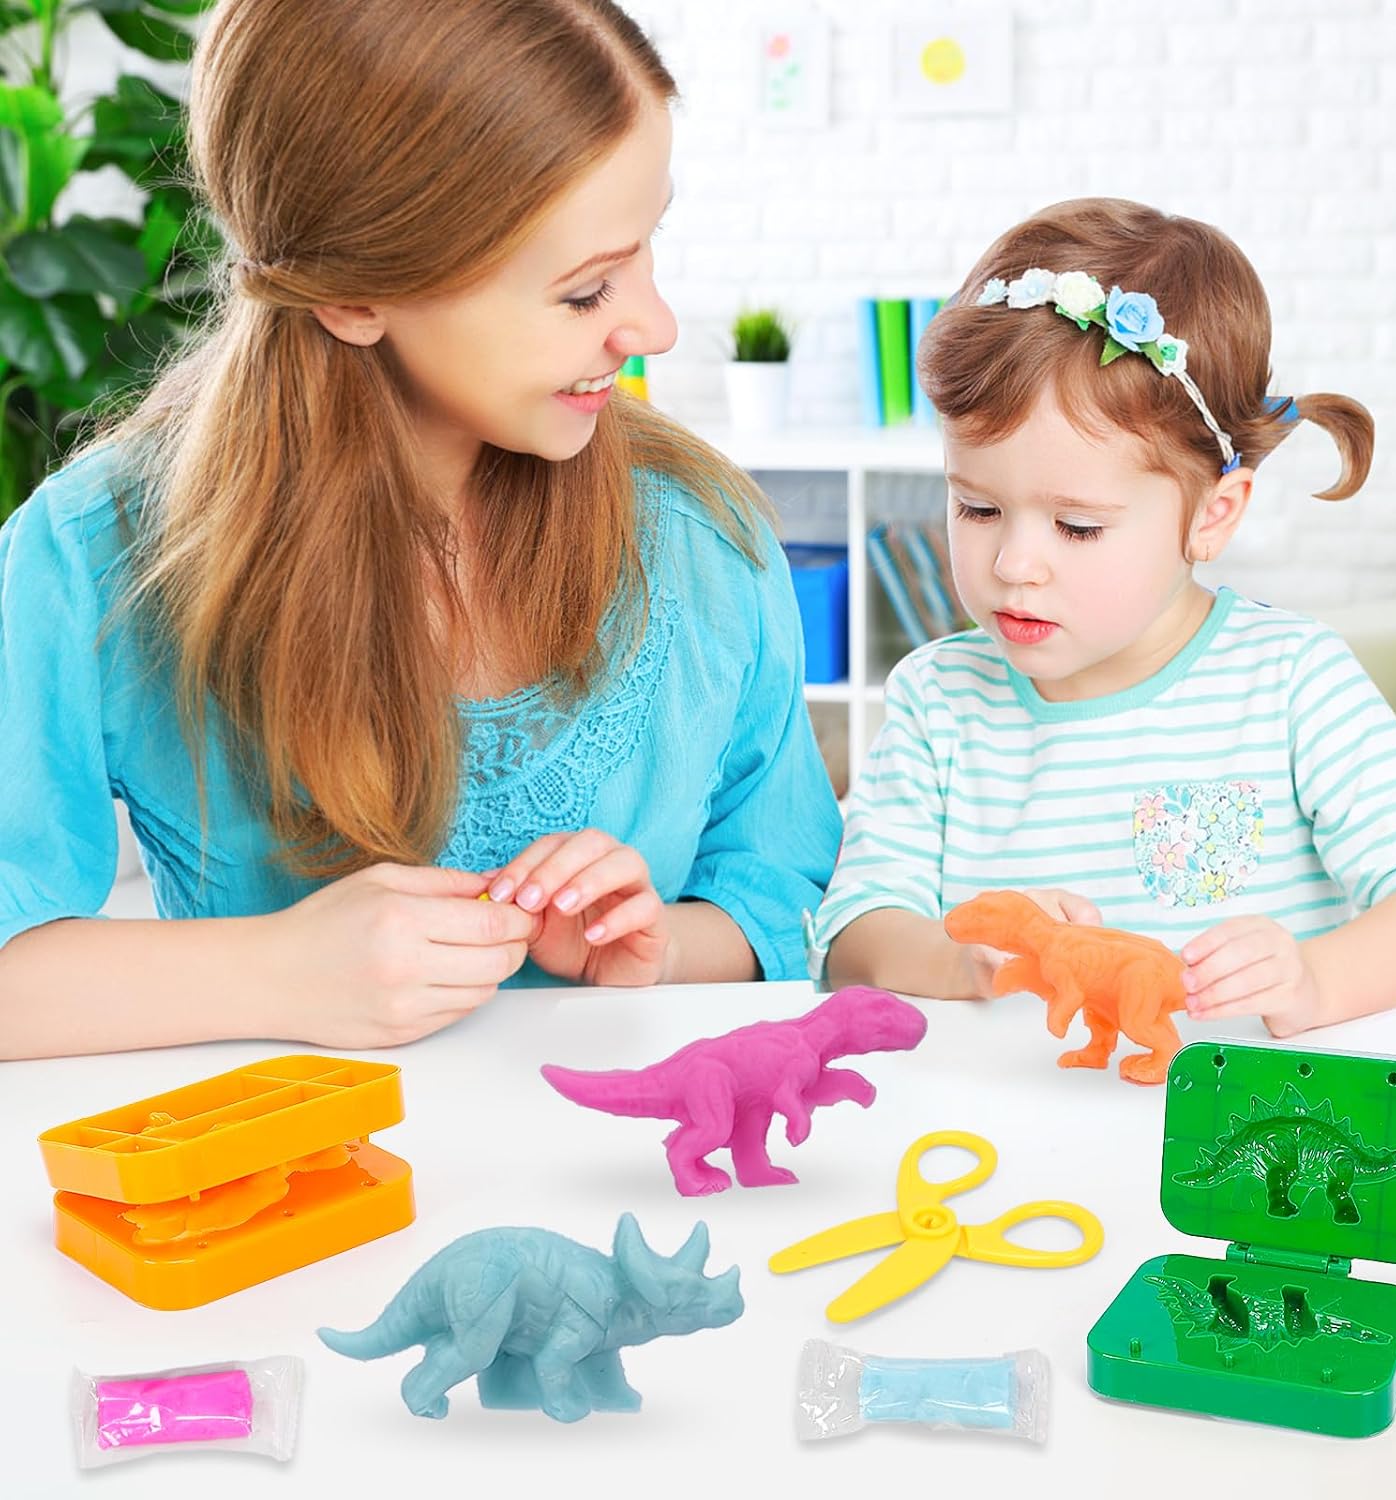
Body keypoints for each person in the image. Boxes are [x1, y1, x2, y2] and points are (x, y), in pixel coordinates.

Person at [0, 0, 842, 1060]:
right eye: (585, 292)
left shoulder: (703, 541)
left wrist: (658, 946)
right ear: (356, 297)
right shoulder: (94, 559)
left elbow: (787, 897)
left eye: (647, 250)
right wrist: (277, 972)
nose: (656, 328)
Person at [812, 197, 1396, 1035]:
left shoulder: (1290, 682)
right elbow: (853, 932)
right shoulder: (938, 699)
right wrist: (960, 958)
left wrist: (1315, 979)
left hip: (1232, 1108)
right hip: (996, 1111)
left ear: (1213, 514)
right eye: (977, 508)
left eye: (1077, 526)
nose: (1013, 564)